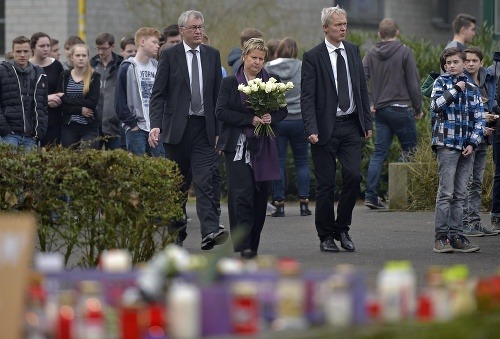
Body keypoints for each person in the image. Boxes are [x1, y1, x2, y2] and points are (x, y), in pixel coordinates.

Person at [148, 10, 226, 251]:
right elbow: (158, 94)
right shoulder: (170, 56)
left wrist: (218, 129)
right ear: (182, 30)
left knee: (205, 182)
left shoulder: (212, 55)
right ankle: (176, 235)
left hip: (204, 128)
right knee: (178, 186)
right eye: (193, 27)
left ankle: (210, 230)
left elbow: (217, 95)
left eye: (201, 27)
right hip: (176, 130)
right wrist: (156, 124)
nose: (199, 31)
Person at [301, 6, 372, 253]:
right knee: (326, 184)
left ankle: (343, 228)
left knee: (353, 176)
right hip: (323, 129)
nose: (343, 28)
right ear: (325, 28)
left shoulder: (352, 50)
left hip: (351, 125)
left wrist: (367, 123)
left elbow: (362, 88)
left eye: (345, 24)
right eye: (338, 24)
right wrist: (310, 127)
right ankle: (326, 236)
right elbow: (307, 97)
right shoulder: (312, 56)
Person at [216, 38, 287, 258]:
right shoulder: (230, 82)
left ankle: (252, 243)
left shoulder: (273, 81)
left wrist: (270, 117)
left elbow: (283, 111)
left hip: (263, 145)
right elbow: (221, 112)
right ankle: (243, 243)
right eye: (253, 57)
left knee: (259, 196)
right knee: (242, 195)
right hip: (236, 146)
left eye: (261, 59)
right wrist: (250, 119)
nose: (257, 62)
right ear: (244, 57)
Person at [362, 18, 423, 209]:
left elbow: (361, 80)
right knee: (412, 151)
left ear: (379, 34)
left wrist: (370, 102)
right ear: (397, 33)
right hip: (401, 108)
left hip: (381, 110)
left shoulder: (371, 53)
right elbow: (413, 82)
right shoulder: (404, 51)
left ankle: (371, 196)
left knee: (379, 153)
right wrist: (419, 107)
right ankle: (399, 194)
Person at [430, 47, 484, 253]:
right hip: (447, 144)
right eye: (448, 63)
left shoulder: (473, 88)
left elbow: (479, 118)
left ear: (463, 63)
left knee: (461, 193)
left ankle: (457, 236)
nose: (451, 66)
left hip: (466, 147)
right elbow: (436, 106)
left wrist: (473, 142)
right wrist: (456, 89)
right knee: (446, 192)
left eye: (454, 62)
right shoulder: (440, 83)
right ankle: (440, 238)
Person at [265, 37, 311, 217]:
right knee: (302, 162)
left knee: (279, 163)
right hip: (300, 120)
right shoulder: (302, 67)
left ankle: (279, 204)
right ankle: (304, 205)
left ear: (278, 50)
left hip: (278, 120)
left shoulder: (268, 68)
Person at [462, 46, 500, 236]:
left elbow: (491, 103)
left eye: (474, 60)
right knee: (466, 182)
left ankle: (475, 222)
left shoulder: (488, 81)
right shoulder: (460, 82)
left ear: (481, 63)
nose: (470, 63)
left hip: (484, 137)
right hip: (467, 138)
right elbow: (457, 112)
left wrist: (492, 115)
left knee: (477, 182)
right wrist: (480, 116)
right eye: (467, 60)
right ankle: (463, 223)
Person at [115, 27, 163, 157]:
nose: (157, 46)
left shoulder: (157, 67)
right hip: (136, 128)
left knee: (162, 169)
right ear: (142, 42)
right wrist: (132, 125)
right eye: (154, 42)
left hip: (156, 128)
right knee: (137, 171)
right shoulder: (127, 67)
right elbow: (119, 101)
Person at [0, 36, 48, 150]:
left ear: (31, 52)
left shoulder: (39, 73)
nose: (22, 55)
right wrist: (4, 129)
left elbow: (43, 105)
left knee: (30, 168)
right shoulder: (2, 71)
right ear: (13, 52)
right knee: (8, 168)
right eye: (18, 51)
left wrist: (40, 130)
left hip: (31, 135)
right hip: (9, 134)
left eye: (25, 51)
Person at [57, 44, 101, 149]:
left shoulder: (94, 76)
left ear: (88, 58)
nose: (81, 58)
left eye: (84, 55)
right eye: (77, 55)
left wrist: (66, 99)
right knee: (69, 159)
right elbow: (60, 104)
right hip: (69, 125)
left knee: (87, 157)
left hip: (89, 125)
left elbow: (91, 102)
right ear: (71, 57)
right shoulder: (64, 76)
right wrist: (80, 110)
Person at [29, 32, 64, 147]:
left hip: (53, 118)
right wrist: (46, 99)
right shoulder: (27, 67)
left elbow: (61, 90)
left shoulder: (57, 65)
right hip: (32, 119)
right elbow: (26, 94)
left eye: (48, 46)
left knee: (52, 158)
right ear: (33, 47)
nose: (46, 49)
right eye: (42, 46)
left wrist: (56, 98)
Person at [90, 32, 124, 150]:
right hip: (95, 121)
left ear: (112, 46)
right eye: (98, 48)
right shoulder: (91, 65)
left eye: (104, 48)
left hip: (114, 122)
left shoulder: (121, 65)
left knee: (116, 161)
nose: (100, 52)